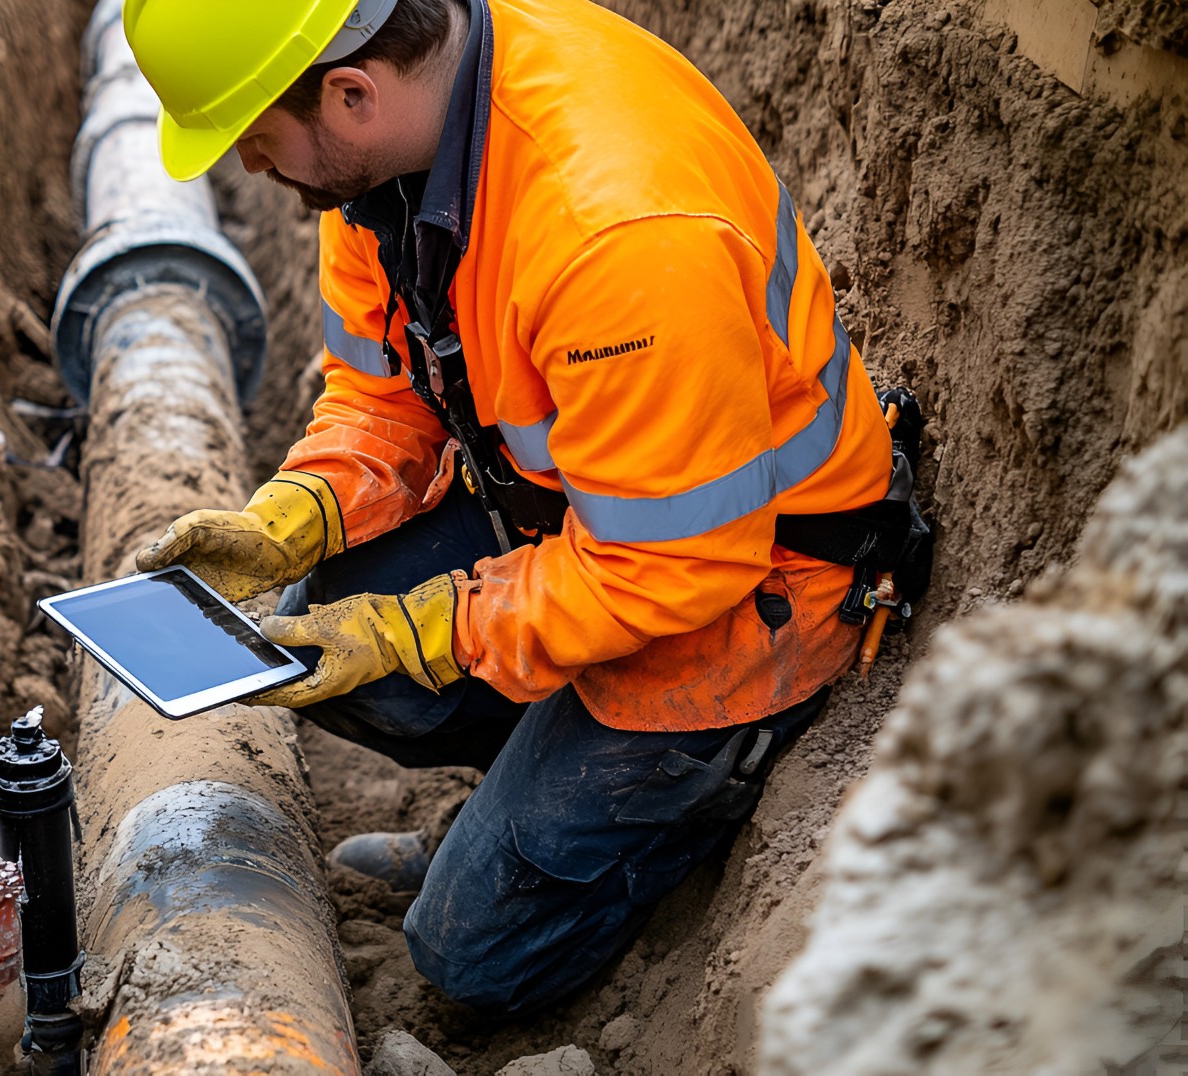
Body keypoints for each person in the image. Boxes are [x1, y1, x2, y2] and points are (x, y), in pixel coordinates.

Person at [123, 0, 918, 1014]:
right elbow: (382, 397)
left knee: (471, 956)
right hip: (591, 518)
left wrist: (427, 626)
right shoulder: (394, 154)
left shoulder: (610, 235)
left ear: (352, 93)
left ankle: (674, 815)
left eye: (251, 134)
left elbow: (670, 565)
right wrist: (296, 515)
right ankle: (531, 794)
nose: (248, 164)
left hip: (750, 588)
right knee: (325, 631)